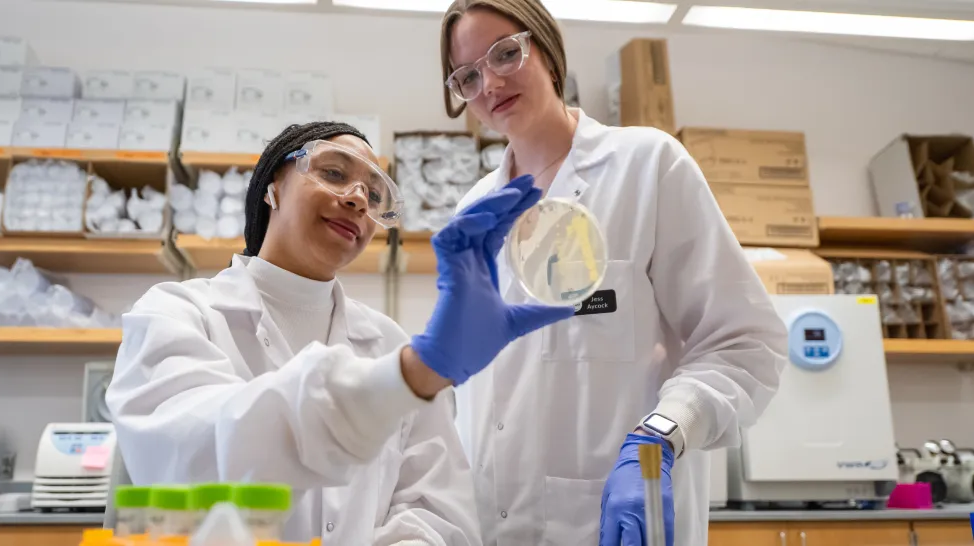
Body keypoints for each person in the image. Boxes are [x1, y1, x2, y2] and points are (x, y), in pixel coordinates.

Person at [106, 121, 572, 545]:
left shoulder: (389, 342)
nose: (357, 199)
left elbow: (437, 513)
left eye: (374, 194)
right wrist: (409, 376)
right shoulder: (177, 314)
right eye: (333, 173)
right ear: (272, 187)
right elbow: (194, 454)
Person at [439, 1, 790, 545]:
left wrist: (662, 435)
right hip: (489, 525)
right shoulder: (472, 211)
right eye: (468, 75)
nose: (490, 84)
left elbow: (743, 342)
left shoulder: (647, 166)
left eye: (505, 54)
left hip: (618, 521)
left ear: (547, 51)